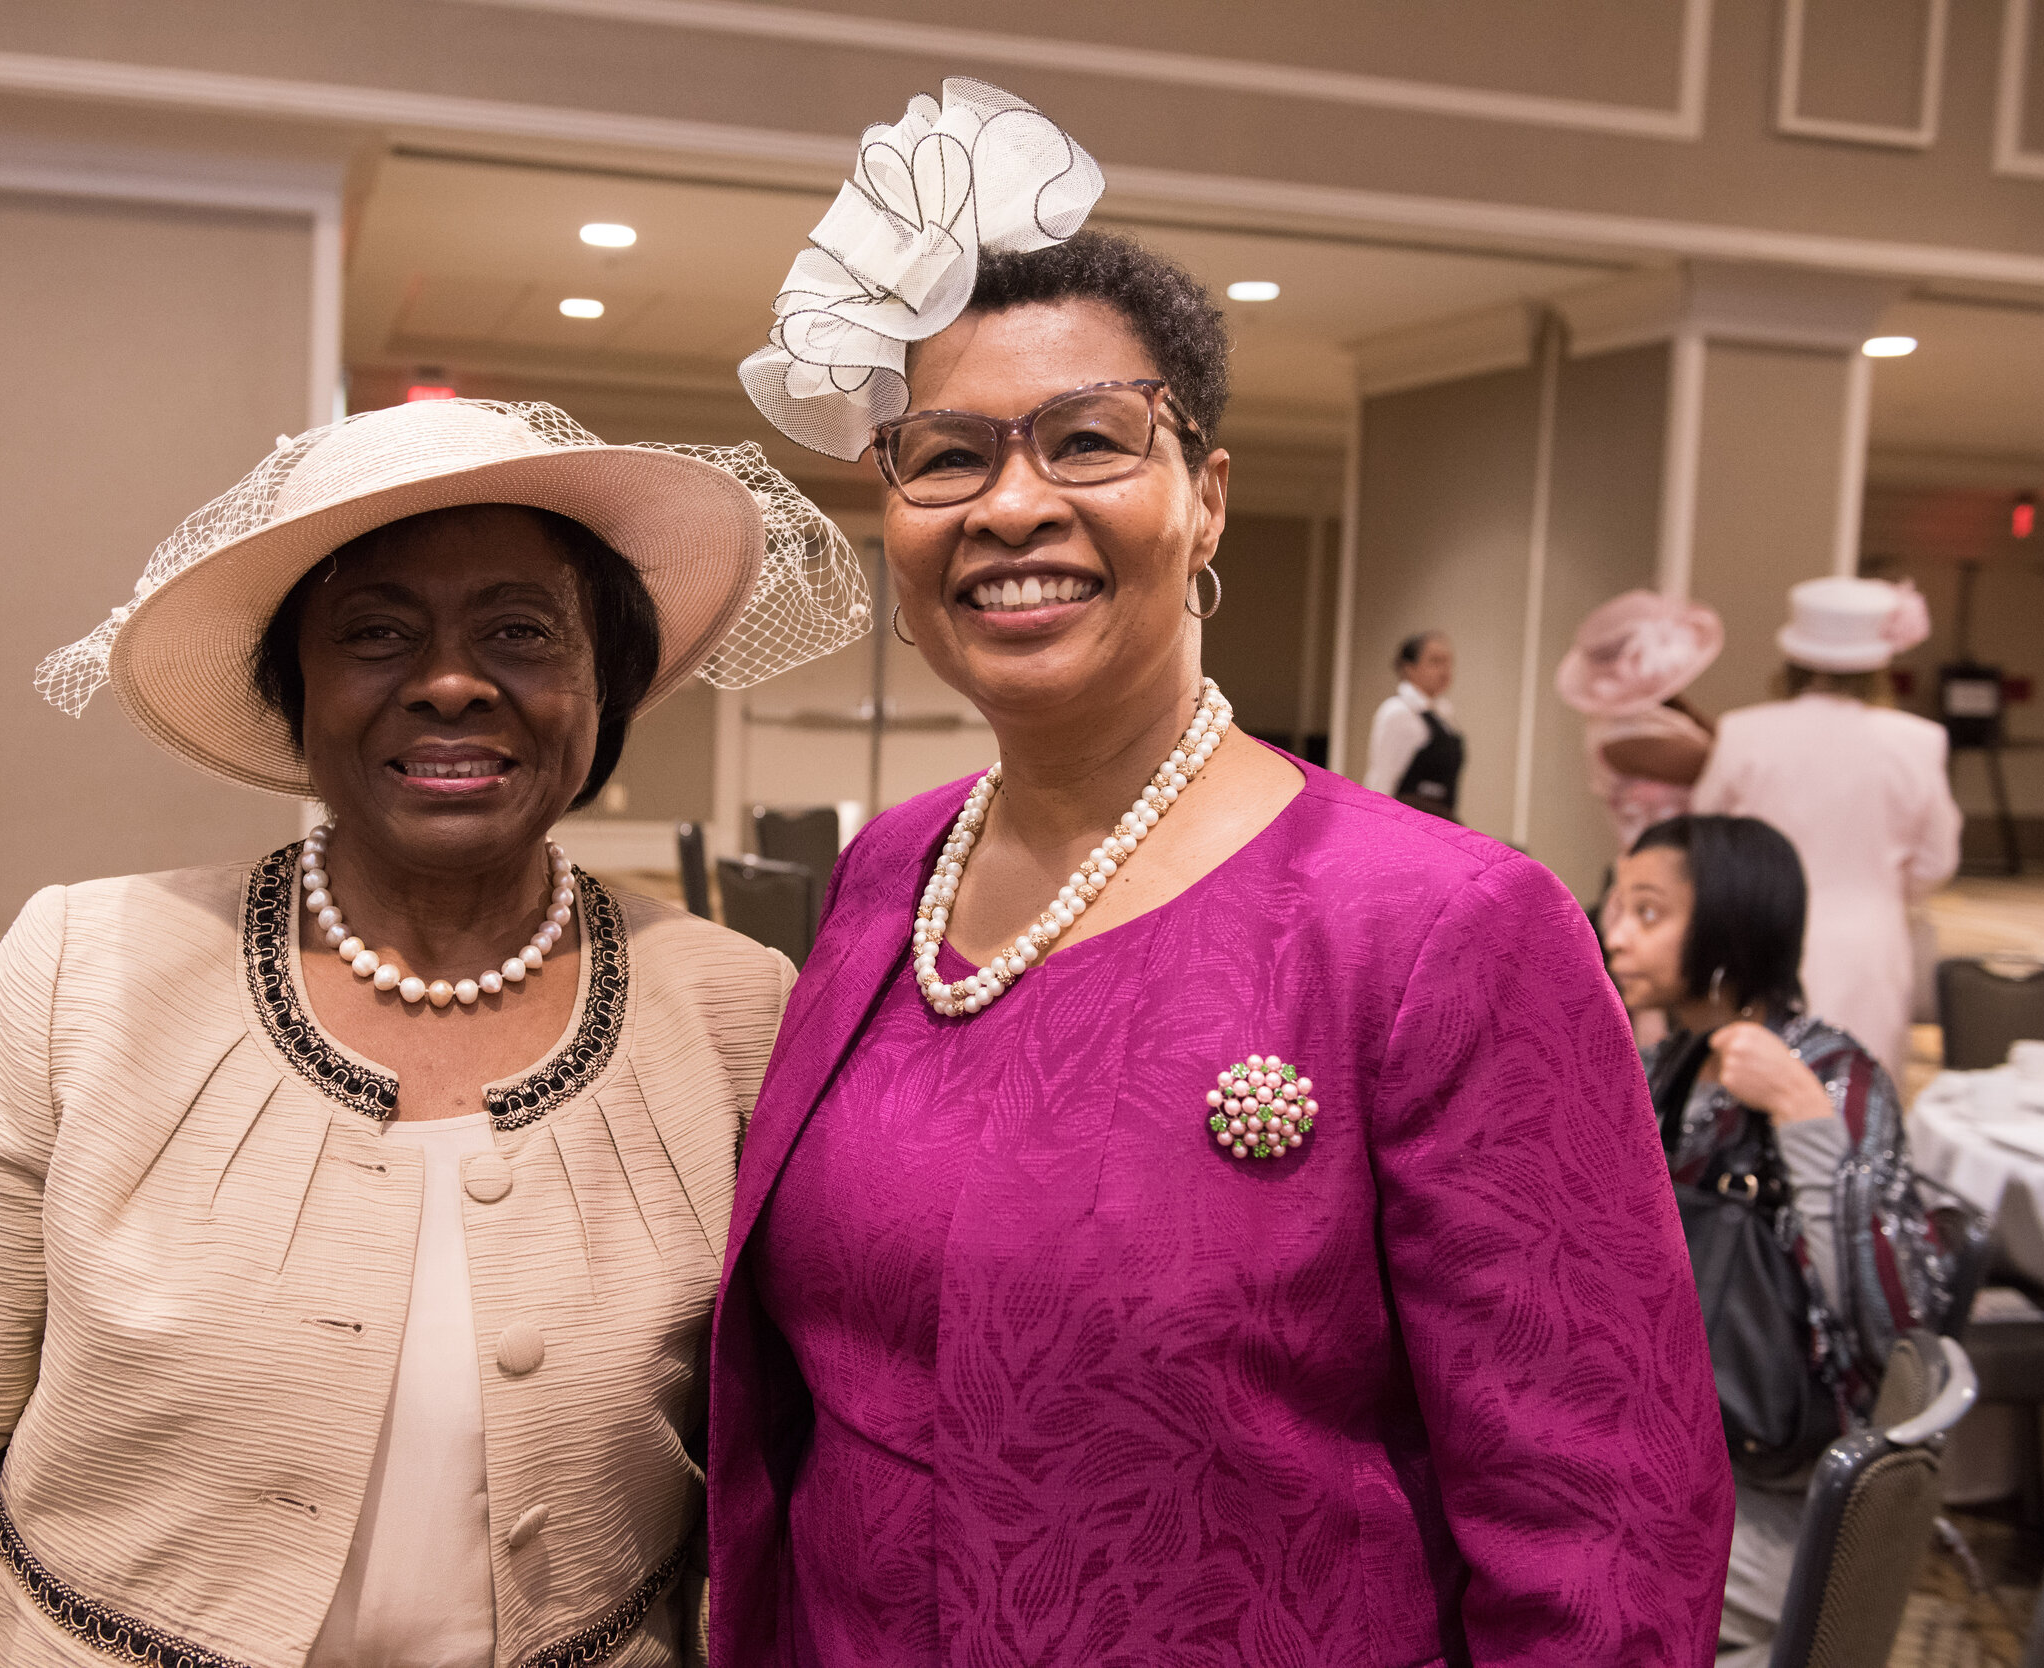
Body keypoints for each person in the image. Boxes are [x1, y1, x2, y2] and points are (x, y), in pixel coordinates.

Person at [715, 79, 1733, 1667]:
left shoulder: (1440, 929)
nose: (1014, 505)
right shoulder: (887, 875)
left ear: (1207, 500)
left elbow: (1604, 1535)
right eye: (946, 457)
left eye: (1087, 441)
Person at [0, 397, 867, 1665]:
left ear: (605, 683)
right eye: (375, 633)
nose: (452, 683)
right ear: (294, 690)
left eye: (521, 631)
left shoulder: (736, 1005)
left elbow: (767, 1470)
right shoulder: (84, 965)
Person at [1604, 813, 1963, 1666]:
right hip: (1665, 1453)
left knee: (1544, 1568)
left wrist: (1802, 1117)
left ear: (1731, 923)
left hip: (1772, 1496)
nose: (1615, 934)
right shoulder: (1669, 1066)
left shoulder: (1832, 1076)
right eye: (1617, 905)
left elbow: (1900, 1329)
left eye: (1648, 912)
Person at [1692, 576, 1959, 1073]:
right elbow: (1936, 861)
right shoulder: (1917, 741)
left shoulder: (1742, 732)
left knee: (1749, 1081)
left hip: (1755, 932)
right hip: (1868, 941)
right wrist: (1882, 888)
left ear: (1792, 660)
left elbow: (1707, 841)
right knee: (1857, 1085)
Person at [1557, 588, 1724, 850]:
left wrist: (1668, 696)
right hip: (1666, 864)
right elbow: (1718, 761)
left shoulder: (1655, 715)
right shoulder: (1620, 735)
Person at [1362, 630, 1463, 816]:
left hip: (1439, 819)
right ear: (1409, 668)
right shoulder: (1397, 711)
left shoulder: (1445, 713)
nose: (1444, 670)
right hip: (1408, 819)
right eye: (1435, 661)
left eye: (1448, 662)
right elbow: (1382, 778)